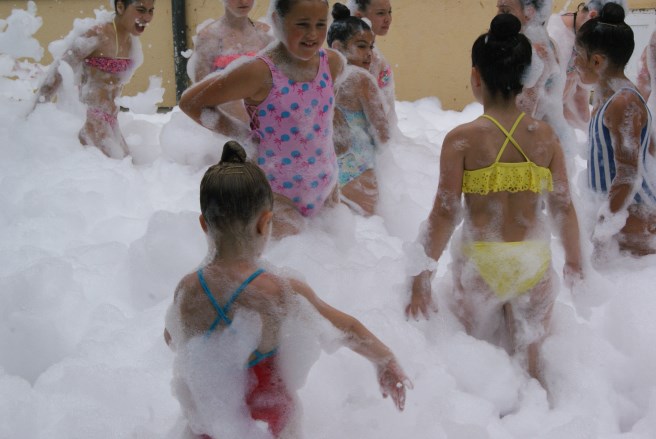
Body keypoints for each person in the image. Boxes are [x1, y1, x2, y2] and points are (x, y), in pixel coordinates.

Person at [164, 140, 410, 439]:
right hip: (267, 428)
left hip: (211, 427)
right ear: (265, 222)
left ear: (204, 223)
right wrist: (385, 360)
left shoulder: (187, 290)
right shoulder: (279, 290)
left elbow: (173, 339)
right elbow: (345, 328)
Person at [405, 14, 583, 384]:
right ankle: (539, 408)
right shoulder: (546, 137)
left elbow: (444, 213)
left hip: (481, 263)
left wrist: (421, 276)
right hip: (532, 261)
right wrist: (576, 262)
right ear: (527, 77)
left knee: (477, 365)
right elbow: (564, 207)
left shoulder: (462, 140)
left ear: (476, 77)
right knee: (532, 366)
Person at [179, 0, 344, 238]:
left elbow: (322, 116)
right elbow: (191, 103)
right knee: (293, 254)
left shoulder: (332, 62)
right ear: (277, 21)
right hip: (276, 191)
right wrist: (243, 136)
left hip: (326, 185)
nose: (313, 34)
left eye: (320, 24)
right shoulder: (259, 72)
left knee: (331, 252)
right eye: (302, 24)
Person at [575, 3, 656, 257]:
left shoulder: (624, 102)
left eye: (577, 55)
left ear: (596, 61)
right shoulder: (605, 97)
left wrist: (603, 230)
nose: (573, 62)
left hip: (635, 231)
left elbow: (628, 176)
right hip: (620, 228)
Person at [33, 0, 155, 158]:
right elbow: (60, 69)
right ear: (120, 7)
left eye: (151, 11)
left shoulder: (131, 42)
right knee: (116, 167)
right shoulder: (98, 34)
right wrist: (35, 111)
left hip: (112, 120)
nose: (147, 17)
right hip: (91, 118)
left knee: (128, 163)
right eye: (141, 10)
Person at [328, 3, 390, 215]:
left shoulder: (322, 76)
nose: (369, 54)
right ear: (338, 47)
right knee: (372, 228)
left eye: (371, 47)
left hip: (330, 171)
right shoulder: (362, 78)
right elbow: (383, 132)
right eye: (362, 46)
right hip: (360, 170)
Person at [187, 0, 273, 123]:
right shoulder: (209, 37)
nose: (243, 1)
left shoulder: (265, 34)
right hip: (228, 124)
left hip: (266, 121)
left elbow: (278, 83)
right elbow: (200, 96)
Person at [547, 1, 627, 131]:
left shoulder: (582, 34)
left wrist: (586, 124)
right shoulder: (554, 35)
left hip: (561, 109)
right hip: (546, 114)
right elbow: (544, 96)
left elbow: (581, 92)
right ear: (592, 15)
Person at [496, 0, 562, 124]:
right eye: (498, 9)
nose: (497, 16)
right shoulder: (543, 45)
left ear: (529, 13)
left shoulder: (536, 52)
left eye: (505, 11)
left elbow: (526, 112)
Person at [347, 0, 395, 120]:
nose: (388, 19)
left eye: (389, 12)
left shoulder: (374, 54)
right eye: (380, 13)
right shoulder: (359, 58)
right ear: (359, 16)